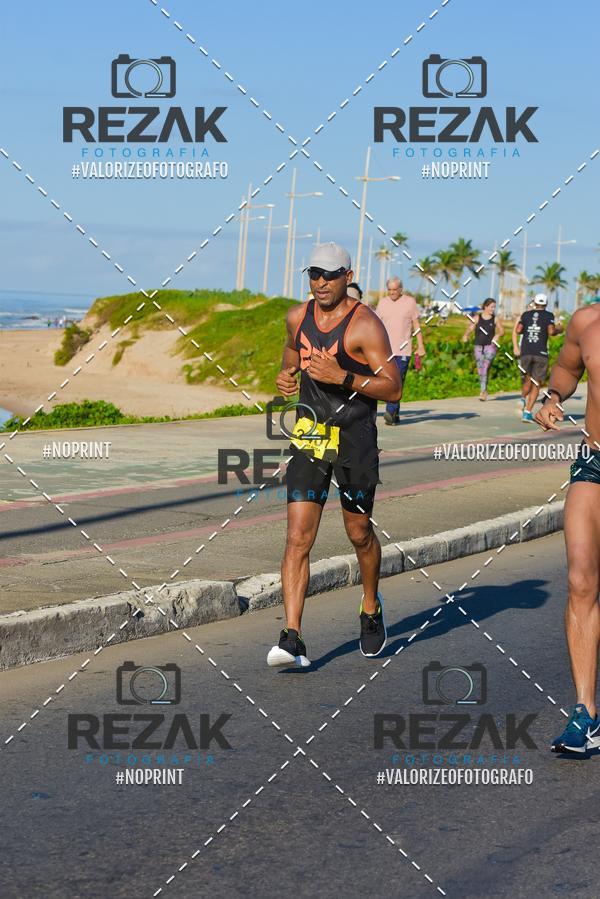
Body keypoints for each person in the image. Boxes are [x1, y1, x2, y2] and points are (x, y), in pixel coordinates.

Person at [268, 243, 401, 668]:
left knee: (359, 533)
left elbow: (393, 387)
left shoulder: (365, 326)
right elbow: (292, 353)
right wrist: (286, 376)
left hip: (355, 438)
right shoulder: (297, 316)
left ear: (347, 275)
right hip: (310, 434)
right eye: (314, 274)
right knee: (297, 537)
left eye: (329, 275)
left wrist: (342, 376)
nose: (320, 282)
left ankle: (369, 605)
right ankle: (292, 637)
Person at [534, 305, 600, 753]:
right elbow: (566, 369)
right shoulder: (586, 322)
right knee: (580, 579)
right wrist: (553, 397)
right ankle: (586, 713)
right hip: (594, 461)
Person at [374, 277, 426, 425]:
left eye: (395, 289)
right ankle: (394, 414)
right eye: (389, 289)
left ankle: (390, 411)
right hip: (384, 350)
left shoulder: (410, 302)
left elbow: (416, 326)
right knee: (386, 381)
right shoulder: (383, 303)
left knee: (398, 381)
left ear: (401, 289)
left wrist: (420, 345)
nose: (392, 292)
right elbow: (376, 325)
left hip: (403, 350)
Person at [512, 292, 562, 422]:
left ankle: (522, 399)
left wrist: (529, 327)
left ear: (535, 303)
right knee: (536, 383)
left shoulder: (526, 314)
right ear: (545, 304)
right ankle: (527, 412)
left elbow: (518, 330)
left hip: (526, 352)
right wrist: (559, 329)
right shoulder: (548, 315)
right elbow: (551, 331)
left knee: (527, 380)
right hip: (541, 354)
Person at [462, 298, 505, 401]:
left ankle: (482, 391)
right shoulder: (477, 318)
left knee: (485, 367)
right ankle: (484, 390)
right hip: (478, 346)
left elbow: (502, 330)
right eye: (491, 307)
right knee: (481, 369)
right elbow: (471, 328)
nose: (493, 309)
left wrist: (498, 335)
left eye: (494, 307)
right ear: (485, 307)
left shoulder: (495, 319)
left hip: (490, 346)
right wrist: (466, 335)